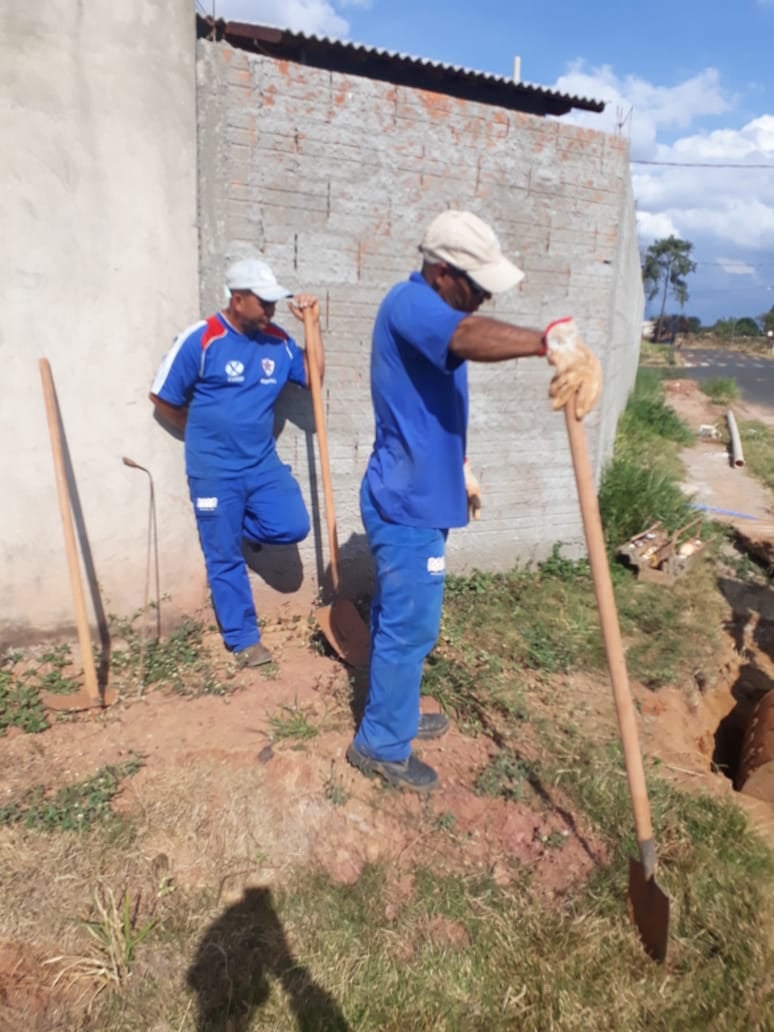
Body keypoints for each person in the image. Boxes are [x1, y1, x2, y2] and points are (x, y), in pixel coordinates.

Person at [347, 209, 602, 792]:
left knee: (399, 616)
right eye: (475, 283)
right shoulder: (415, 307)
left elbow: (426, 406)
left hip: (419, 492)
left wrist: (458, 466)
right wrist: (546, 344)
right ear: (439, 272)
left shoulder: (434, 311)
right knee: (411, 626)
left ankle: (397, 712)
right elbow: (466, 339)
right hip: (406, 503)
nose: (484, 296)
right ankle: (381, 746)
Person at [150, 257, 323, 667]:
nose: (271, 311)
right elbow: (162, 396)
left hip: (261, 465)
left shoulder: (278, 342)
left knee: (292, 524)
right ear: (238, 298)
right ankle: (244, 640)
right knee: (223, 555)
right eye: (263, 303)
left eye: (274, 303)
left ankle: (235, 525)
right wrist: (199, 431)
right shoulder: (203, 338)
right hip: (213, 471)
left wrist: (311, 326)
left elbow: (314, 377)